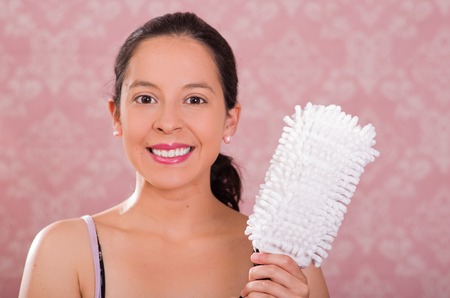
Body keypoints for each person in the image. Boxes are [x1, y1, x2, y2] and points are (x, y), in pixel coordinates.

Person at [19, 12, 329, 297]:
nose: (168, 123)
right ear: (117, 117)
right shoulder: (64, 252)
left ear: (230, 120)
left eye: (194, 99)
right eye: (146, 98)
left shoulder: (286, 266)